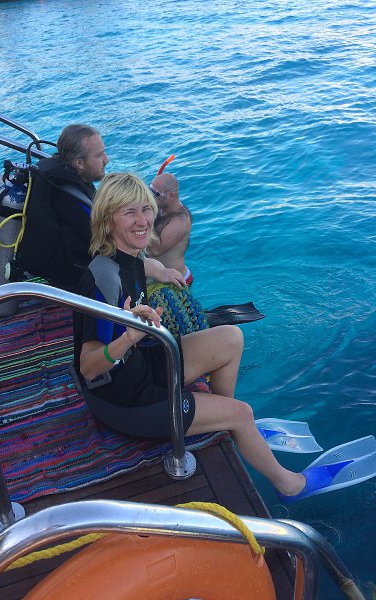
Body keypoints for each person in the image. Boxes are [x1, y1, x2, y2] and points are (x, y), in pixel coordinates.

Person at [73, 172, 306, 499]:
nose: (143, 221)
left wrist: (163, 271)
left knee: (231, 338)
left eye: (146, 209)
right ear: (108, 219)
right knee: (243, 414)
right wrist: (128, 338)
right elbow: (88, 368)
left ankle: (219, 417)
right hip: (123, 402)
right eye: (129, 212)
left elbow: (144, 265)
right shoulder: (102, 279)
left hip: (141, 367)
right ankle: (290, 485)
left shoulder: (128, 256)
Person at [18, 125, 185, 292]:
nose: (107, 160)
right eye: (99, 155)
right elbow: (115, 250)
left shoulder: (60, 177)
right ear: (79, 163)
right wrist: (158, 271)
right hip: (73, 280)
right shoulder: (73, 200)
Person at [147, 172, 193, 284]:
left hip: (176, 279)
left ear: (170, 196)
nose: (151, 197)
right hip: (157, 275)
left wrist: (146, 219)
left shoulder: (180, 220)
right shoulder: (160, 207)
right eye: (150, 190)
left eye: (155, 194)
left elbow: (156, 250)